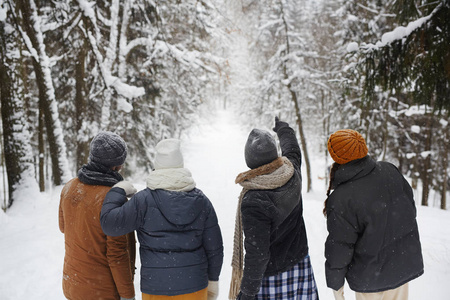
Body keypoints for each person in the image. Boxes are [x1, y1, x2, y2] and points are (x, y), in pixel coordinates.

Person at [100, 138, 224, 300]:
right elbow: (214, 247)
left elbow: (110, 224)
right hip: (194, 285)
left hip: (156, 287)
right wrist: (213, 280)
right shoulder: (201, 201)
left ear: (157, 166)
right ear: (180, 165)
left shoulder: (143, 200)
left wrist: (118, 191)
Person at [324, 129, 424, 300]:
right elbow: (409, 211)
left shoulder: (341, 198)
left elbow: (340, 247)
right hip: (401, 269)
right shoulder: (390, 170)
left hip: (371, 280)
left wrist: (336, 285)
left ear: (337, 158)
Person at [229, 117, 319, 300]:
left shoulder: (253, 201)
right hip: (300, 264)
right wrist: (283, 128)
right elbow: (292, 147)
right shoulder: (291, 171)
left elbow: (258, 254)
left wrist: (246, 293)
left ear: (250, 162)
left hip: (273, 277)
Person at [59, 131, 136, 300]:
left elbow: (63, 227)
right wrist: (127, 295)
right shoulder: (113, 199)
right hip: (102, 291)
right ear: (116, 165)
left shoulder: (70, 187)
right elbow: (117, 254)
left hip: (72, 284)